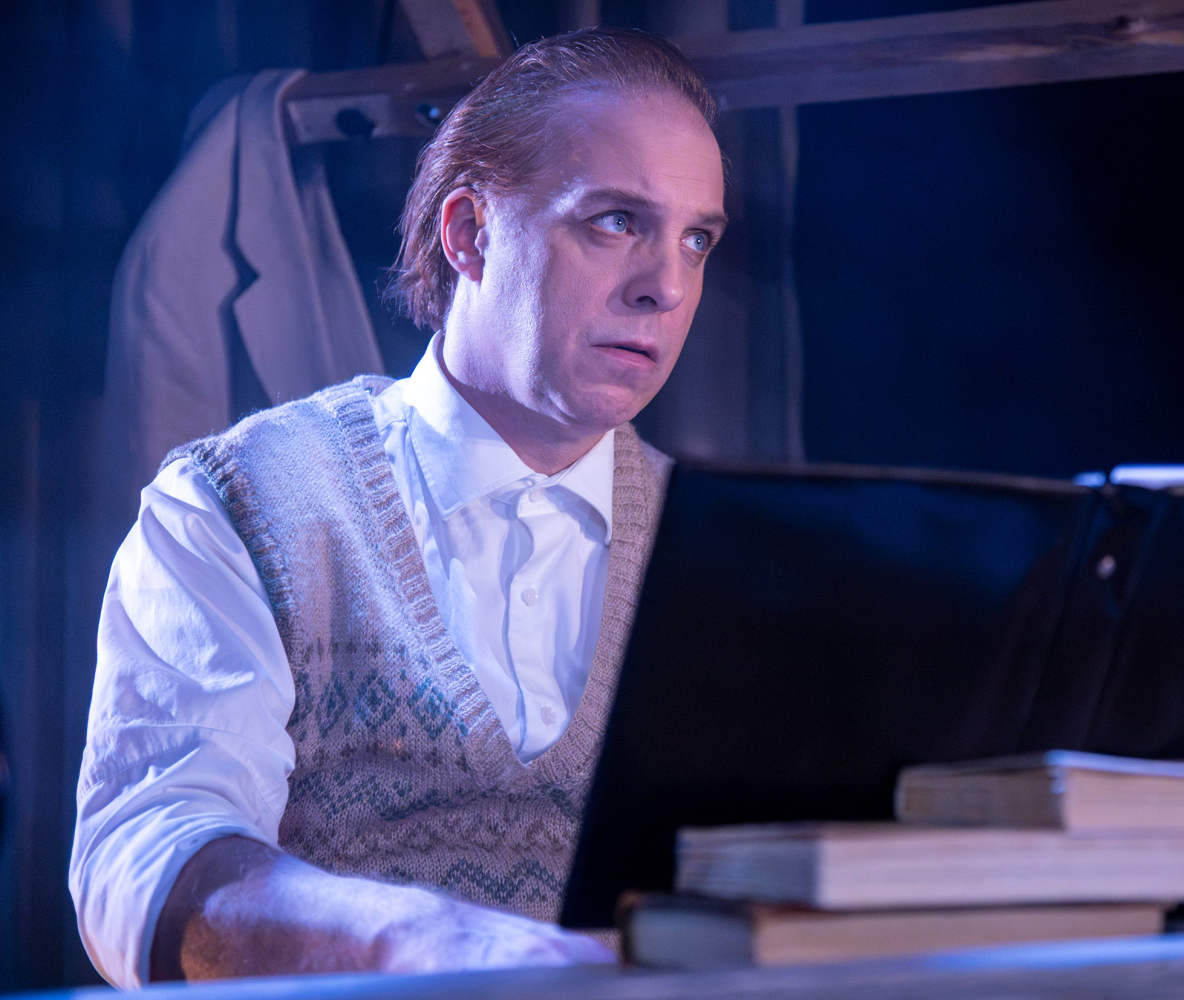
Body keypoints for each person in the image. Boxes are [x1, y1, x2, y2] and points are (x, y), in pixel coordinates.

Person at [70, 27, 728, 986]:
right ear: (469, 234)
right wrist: (422, 946)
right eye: (616, 221)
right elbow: (147, 857)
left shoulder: (722, 549)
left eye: (697, 239)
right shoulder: (239, 502)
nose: (666, 286)